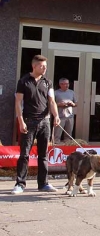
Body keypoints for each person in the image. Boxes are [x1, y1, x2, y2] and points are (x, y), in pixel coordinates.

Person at [12, 55, 61, 194]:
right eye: (42, 66)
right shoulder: (23, 81)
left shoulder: (48, 82)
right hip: (28, 121)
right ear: (34, 66)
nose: (44, 68)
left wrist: (56, 116)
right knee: (24, 154)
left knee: (43, 154)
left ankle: (43, 183)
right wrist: (20, 121)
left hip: (45, 121)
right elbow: (18, 103)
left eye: (45, 66)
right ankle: (20, 184)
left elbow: (52, 101)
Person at [53, 77, 77, 143]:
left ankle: (67, 147)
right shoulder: (55, 93)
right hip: (59, 117)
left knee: (68, 136)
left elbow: (76, 103)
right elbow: (51, 104)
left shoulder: (72, 92)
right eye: (65, 84)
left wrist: (72, 104)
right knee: (57, 135)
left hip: (70, 116)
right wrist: (59, 104)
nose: (67, 85)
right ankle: (56, 146)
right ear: (60, 84)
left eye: (68, 84)